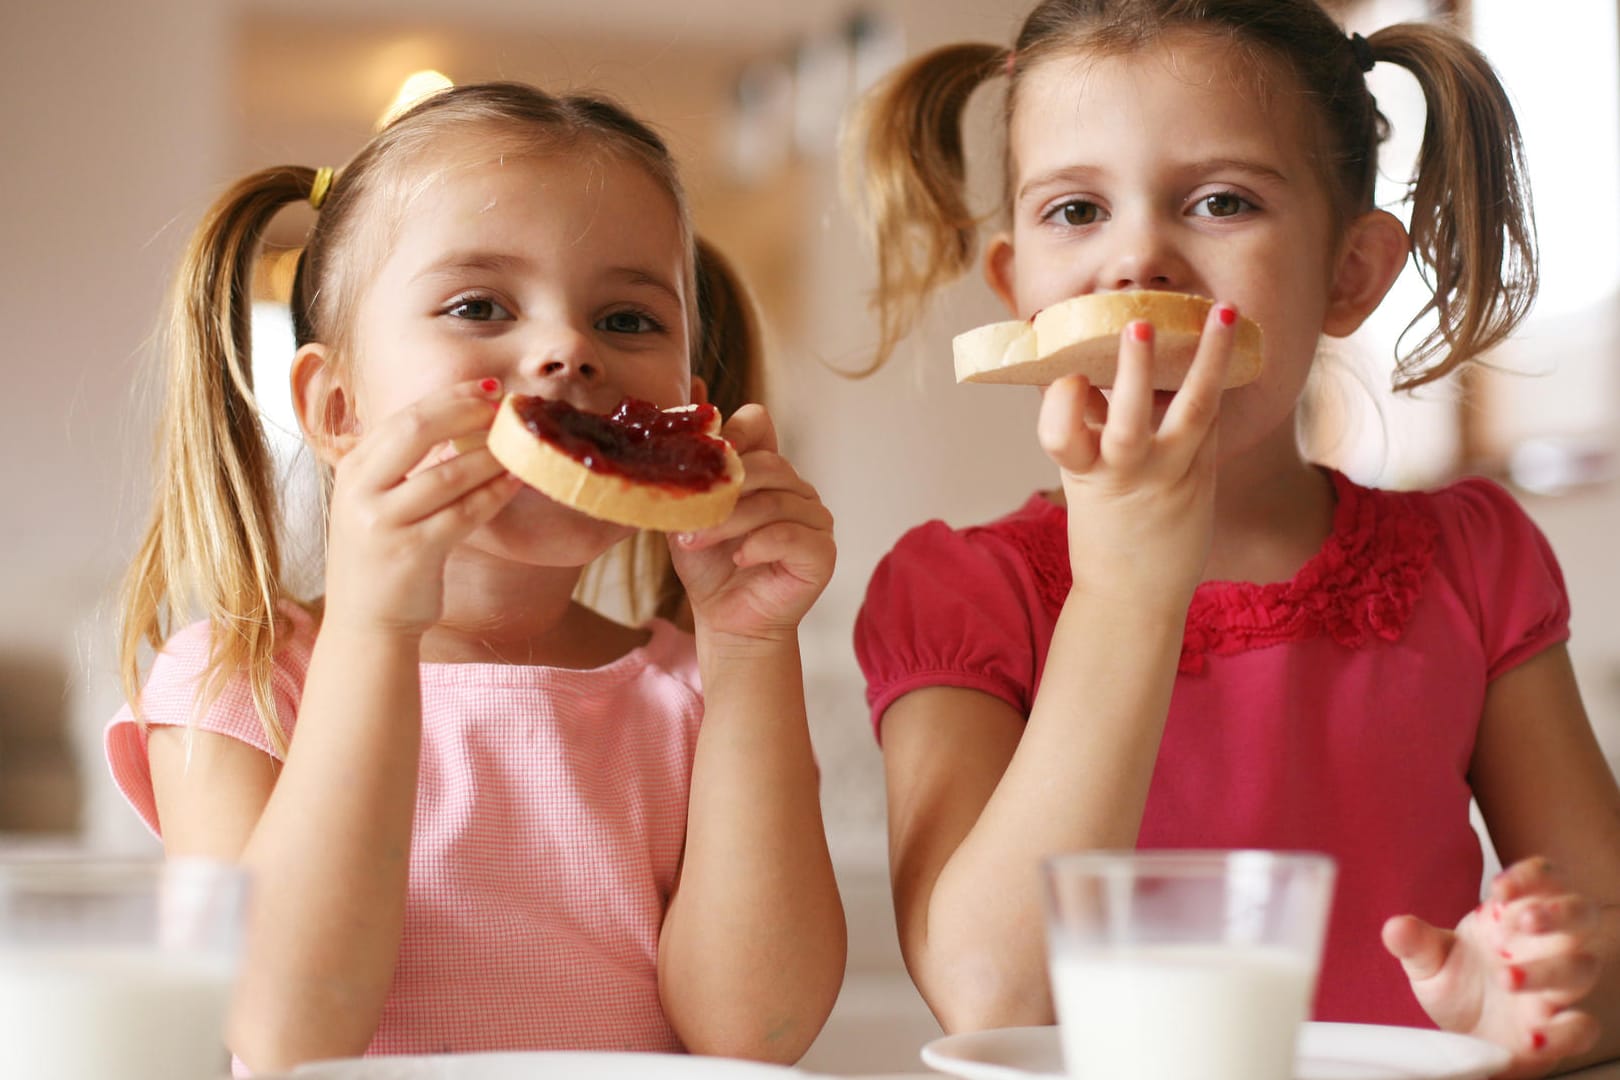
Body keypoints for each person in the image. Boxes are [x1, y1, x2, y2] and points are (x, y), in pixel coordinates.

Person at [843, 2, 1620, 1075]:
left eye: (1220, 201)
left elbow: (1605, 944)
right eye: (1077, 209)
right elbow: (990, 994)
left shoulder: (1471, 561)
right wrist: (1124, 581)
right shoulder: (957, 591)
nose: (1137, 260)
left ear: (1349, 273)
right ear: (1017, 290)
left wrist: (1536, 990)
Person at [106, 81, 845, 1074]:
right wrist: (373, 631)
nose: (567, 352)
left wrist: (753, 648)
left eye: (628, 320)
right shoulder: (236, 683)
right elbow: (284, 1032)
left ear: (689, 413)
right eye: (478, 305)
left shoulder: (705, 693)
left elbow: (761, 1035)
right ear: (336, 409)